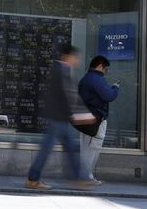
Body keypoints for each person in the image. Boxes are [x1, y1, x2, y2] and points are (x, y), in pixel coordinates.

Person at [26, 44, 86, 190]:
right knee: (47, 149)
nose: (77, 60)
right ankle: (33, 179)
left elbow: (70, 95)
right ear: (67, 56)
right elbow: (69, 95)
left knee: (70, 149)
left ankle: (78, 178)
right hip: (56, 118)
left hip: (61, 118)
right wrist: (81, 113)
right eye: (75, 57)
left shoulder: (64, 70)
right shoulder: (60, 70)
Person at [78, 55, 119, 185]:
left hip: (86, 118)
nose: (106, 72)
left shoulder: (86, 78)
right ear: (100, 65)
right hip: (96, 119)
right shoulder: (96, 79)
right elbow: (109, 96)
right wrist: (115, 88)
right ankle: (85, 176)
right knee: (92, 148)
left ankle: (84, 175)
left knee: (86, 147)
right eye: (106, 69)